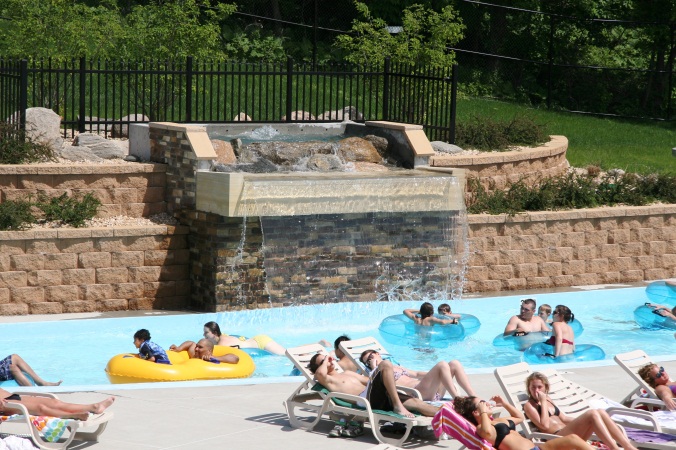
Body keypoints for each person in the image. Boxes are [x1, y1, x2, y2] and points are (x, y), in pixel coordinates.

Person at [523, 372, 639, 450]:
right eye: (533, 387)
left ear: (546, 387)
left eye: (539, 387)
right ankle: (615, 448)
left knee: (599, 412)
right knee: (592, 414)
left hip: (569, 434)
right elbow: (544, 425)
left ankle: (628, 447)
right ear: (529, 388)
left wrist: (584, 421)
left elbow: (563, 418)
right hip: (557, 439)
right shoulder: (529, 405)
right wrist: (542, 402)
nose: (536, 391)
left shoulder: (548, 399)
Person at [308, 353, 438, 419]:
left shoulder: (348, 373)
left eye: (327, 358)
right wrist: (326, 360)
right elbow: (319, 374)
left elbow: (370, 380)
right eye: (324, 360)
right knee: (386, 364)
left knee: (417, 403)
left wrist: (387, 381)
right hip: (366, 400)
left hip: (377, 394)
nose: (329, 360)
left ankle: (453, 416)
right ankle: (398, 406)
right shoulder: (328, 379)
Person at [453, 394, 594, 450]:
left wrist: (504, 403)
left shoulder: (497, 421)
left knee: (573, 439)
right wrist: (483, 412)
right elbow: (487, 433)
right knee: (573, 441)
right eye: (482, 403)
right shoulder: (481, 428)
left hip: (538, 448)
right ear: (476, 412)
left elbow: (519, 417)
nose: (486, 404)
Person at [359, 349, 475, 400]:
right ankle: (457, 399)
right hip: (418, 392)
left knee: (453, 364)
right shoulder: (379, 373)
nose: (370, 362)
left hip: (430, 389)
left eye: (370, 357)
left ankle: (473, 396)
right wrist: (374, 367)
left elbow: (416, 373)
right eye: (367, 362)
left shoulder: (397, 367)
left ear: (377, 353)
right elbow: (375, 384)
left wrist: (438, 374)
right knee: (442, 364)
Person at [0, 388, 114, 421]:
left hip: (11, 396)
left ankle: (93, 407)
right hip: (4, 405)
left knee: (54, 402)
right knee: (41, 408)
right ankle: (73, 415)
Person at [200, 321, 286, 355]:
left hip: (261, 343)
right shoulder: (222, 335)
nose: (204, 335)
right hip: (255, 339)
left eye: (206, 332)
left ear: (214, 333)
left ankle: (299, 349)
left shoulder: (222, 344)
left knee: (286, 355)